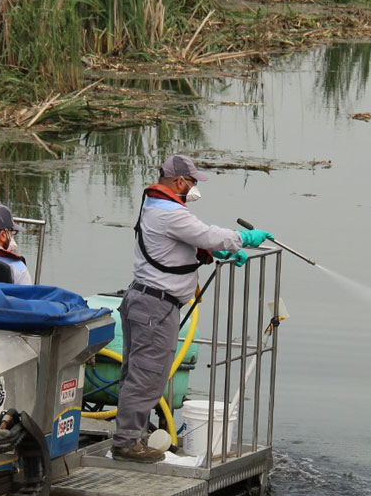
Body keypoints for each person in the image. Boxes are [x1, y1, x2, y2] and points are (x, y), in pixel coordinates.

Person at [112, 154, 273, 462]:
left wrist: (220, 251)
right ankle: (127, 443)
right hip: (155, 307)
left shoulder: (155, 205)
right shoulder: (170, 212)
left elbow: (189, 243)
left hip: (145, 301)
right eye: (193, 181)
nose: (196, 187)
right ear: (180, 181)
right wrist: (243, 239)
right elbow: (206, 234)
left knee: (139, 373)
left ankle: (135, 436)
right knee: (147, 376)